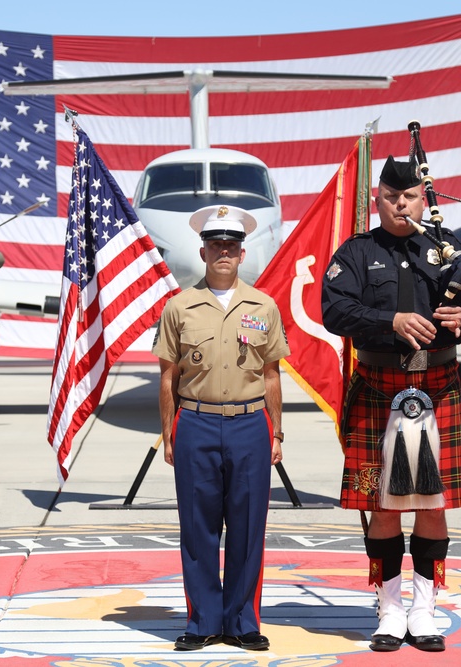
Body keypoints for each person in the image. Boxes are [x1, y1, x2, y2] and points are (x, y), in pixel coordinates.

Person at [320, 157, 461, 653]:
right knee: (381, 505)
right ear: (377, 200)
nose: (401, 205)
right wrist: (391, 321)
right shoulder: (356, 253)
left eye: (410, 197)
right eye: (390, 197)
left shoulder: (451, 252)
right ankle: (390, 609)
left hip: (437, 385)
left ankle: (425, 609)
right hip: (378, 386)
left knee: (432, 504)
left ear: (424, 199)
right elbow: (333, 310)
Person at [153, 204, 290, 652]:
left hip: (251, 425)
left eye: (231, 245)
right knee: (198, 528)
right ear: (203, 251)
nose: (224, 253)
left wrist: (278, 432)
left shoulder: (264, 306)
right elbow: (168, 375)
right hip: (196, 423)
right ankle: (203, 622)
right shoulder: (180, 307)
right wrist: (169, 432)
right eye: (216, 246)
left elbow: (271, 374)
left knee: (249, 528)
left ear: (242, 252)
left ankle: (243, 621)